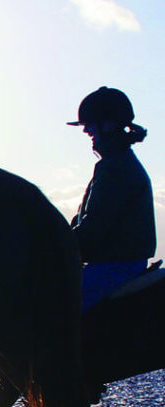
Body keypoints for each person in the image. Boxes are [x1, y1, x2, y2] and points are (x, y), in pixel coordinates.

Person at [68, 86, 156, 309]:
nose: (86, 130)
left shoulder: (116, 169)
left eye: (91, 124)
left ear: (109, 124)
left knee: (54, 308)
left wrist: (52, 248)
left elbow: (93, 230)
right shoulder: (114, 164)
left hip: (115, 267)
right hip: (115, 263)